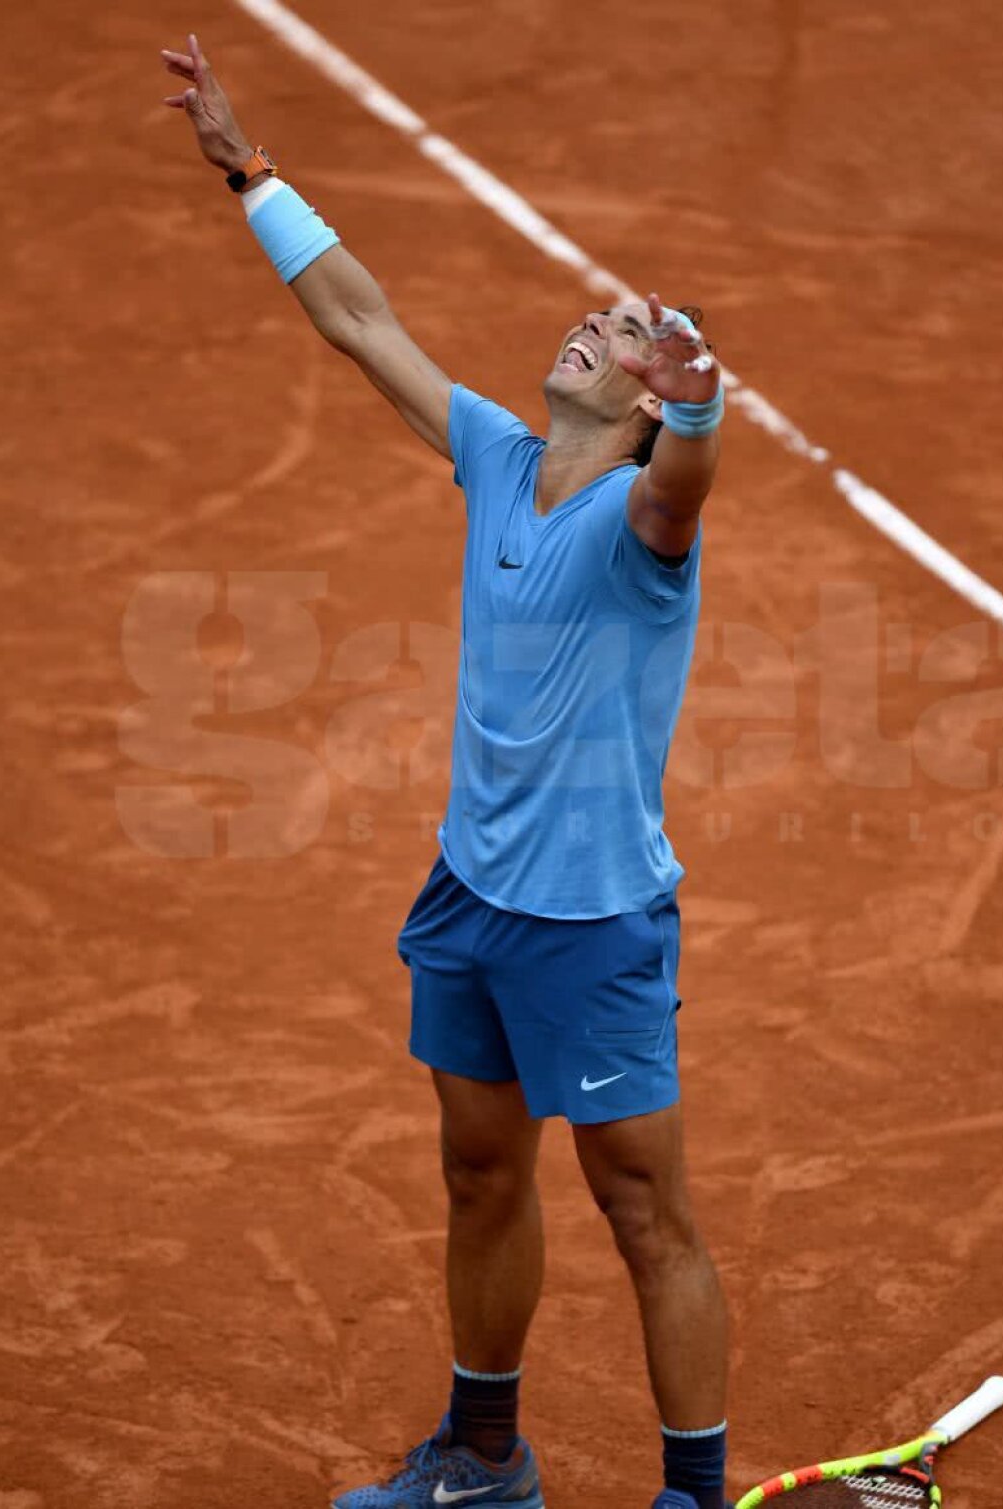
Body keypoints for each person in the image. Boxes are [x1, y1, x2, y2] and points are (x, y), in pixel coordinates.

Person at [162, 33, 730, 1509]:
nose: (588, 324)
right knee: (480, 1173)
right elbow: (360, 320)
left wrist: (699, 408)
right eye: (595, 314)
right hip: (472, 895)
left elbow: (685, 483)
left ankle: (693, 1492)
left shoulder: (643, 526)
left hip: (592, 925)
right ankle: (485, 1462)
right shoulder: (495, 454)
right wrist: (251, 171)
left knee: (643, 1209)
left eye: (619, 334)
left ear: (643, 402)